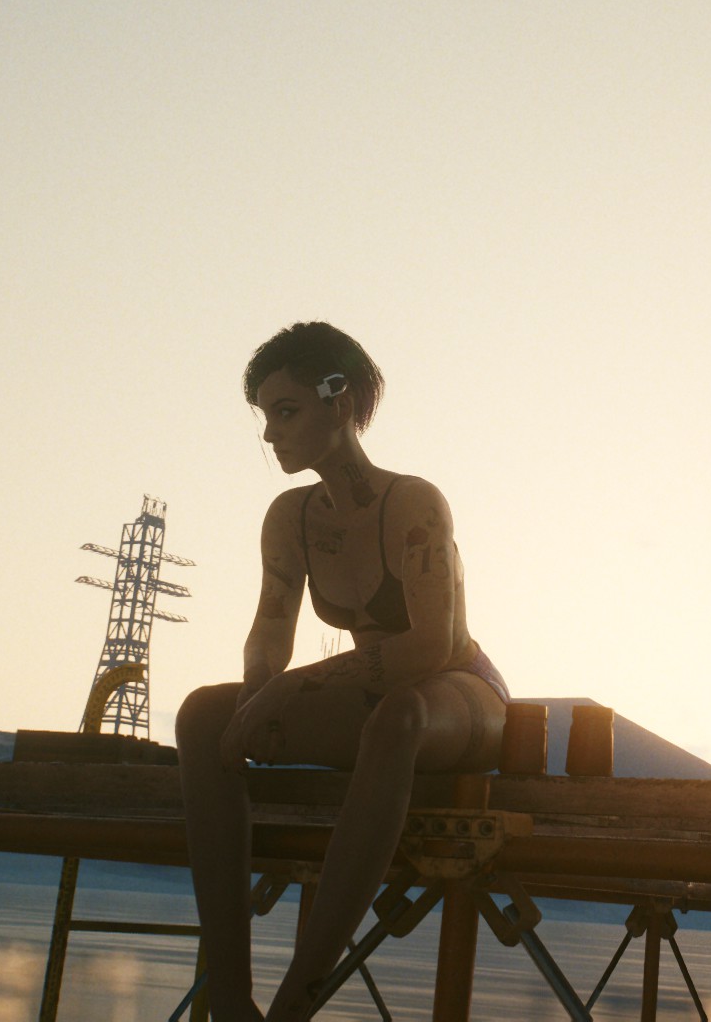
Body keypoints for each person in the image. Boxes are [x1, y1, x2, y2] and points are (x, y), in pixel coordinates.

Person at [177, 322, 509, 1021]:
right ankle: (231, 997)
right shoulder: (290, 517)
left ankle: (298, 998)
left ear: (341, 402)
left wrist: (293, 685)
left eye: (286, 411)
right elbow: (271, 628)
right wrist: (256, 694)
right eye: (265, 417)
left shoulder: (413, 502)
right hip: (370, 696)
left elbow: (431, 646)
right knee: (203, 714)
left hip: (459, 694)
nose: (271, 434)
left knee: (400, 715)